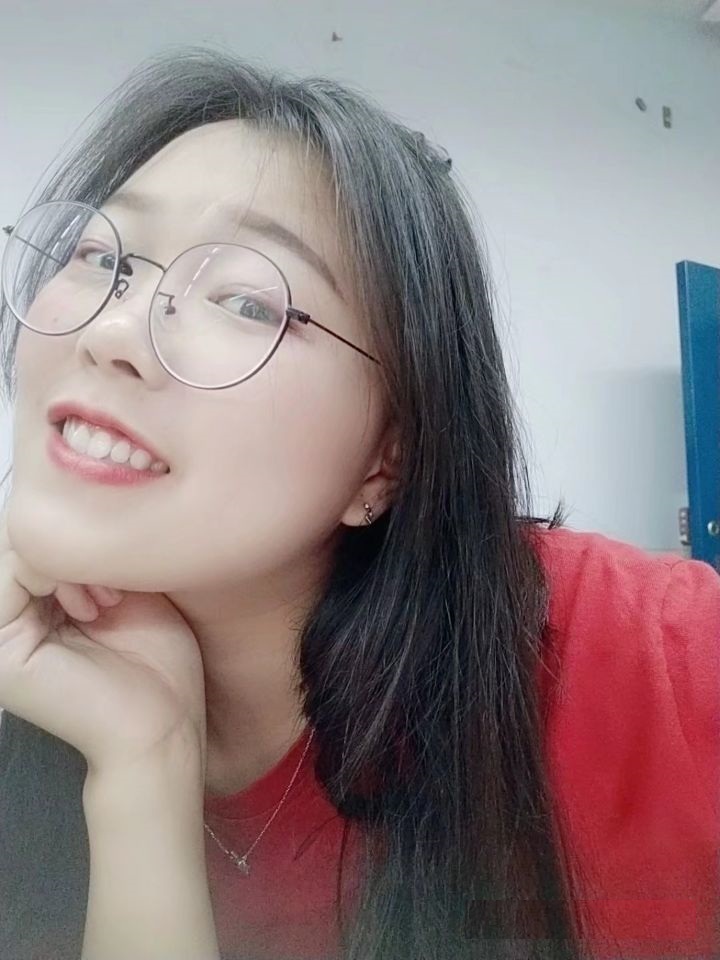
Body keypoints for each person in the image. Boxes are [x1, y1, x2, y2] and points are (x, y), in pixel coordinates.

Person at [0, 46, 716, 960]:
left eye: (247, 303)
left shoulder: (657, 662)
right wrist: (143, 771)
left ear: (385, 461)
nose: (110, 331)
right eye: (102, 256)